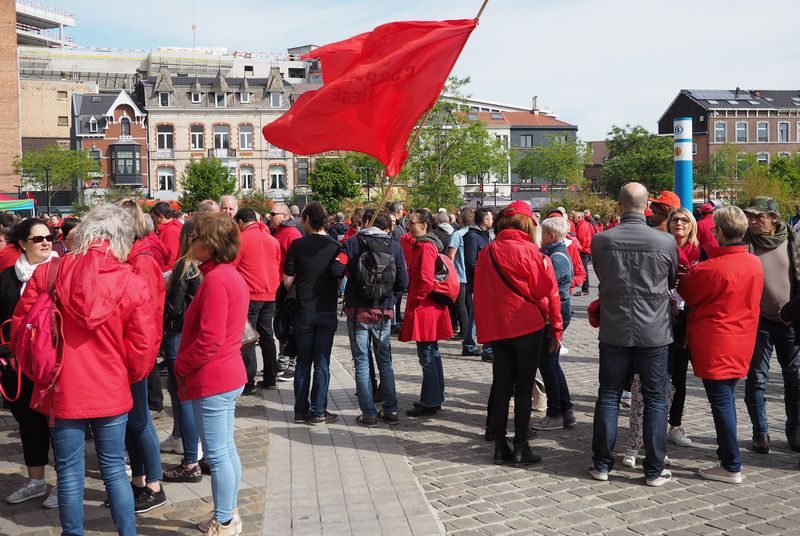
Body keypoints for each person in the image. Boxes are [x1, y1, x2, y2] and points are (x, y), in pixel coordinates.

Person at [12, 204, 159, 535]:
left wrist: (39, 373)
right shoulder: (130, 281)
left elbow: (22, 332)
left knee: (68, 472)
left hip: (62, 383)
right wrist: (130, 376)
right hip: (110, 384)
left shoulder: (49, 272)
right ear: (120, 238)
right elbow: (143, 345)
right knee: (112, 469)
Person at [589, 182, 677, 487]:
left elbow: (601, 275)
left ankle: (601, 464)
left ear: (620, 205)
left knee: (609, 395)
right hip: (654, 330)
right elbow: (671, 279)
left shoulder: (601, 240)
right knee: (655, 399)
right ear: (646, 207)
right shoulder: (665, 242)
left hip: (615, 327)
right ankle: (653, 469)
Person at [174, 213, 249, 536]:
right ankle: (228, 513)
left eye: (195, 238)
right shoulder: (224, 275)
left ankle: (226, 519)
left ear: (211, 243)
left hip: (214, 376)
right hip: (224, 373)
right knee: (225, 450)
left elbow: (209, 338)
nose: (190, 243)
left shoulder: (218, 279)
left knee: (218, 454)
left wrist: (180, 364)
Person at [677, 206, 763, 484]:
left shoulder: (711, 268)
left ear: (722, 233)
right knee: (726, 399)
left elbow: (686, 291)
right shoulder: (753, 262)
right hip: (742, 339)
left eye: (715, 230)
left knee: (722, 403)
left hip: (716, 342)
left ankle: (730, 463)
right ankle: (728, 458)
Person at [474, 201, 562, 465]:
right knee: (523, 389)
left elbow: (481, 294)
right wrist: (556, 329)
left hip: (500, 328)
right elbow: (547, 291)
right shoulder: (533, 253)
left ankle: (500, 446)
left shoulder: (487, 252)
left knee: (502, 387)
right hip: (528, 326)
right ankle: (521, 446)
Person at [1, 219, 58, 508]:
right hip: (18, 366)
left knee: (58, 425)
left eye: (50, 236)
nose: (47, 242)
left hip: (53, 365)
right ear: (22, 243)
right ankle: (35, 480)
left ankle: (65, 484)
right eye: (38, 239)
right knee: (28, 423)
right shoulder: (8, 277)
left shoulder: (61, 272)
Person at [119, 201, 168, 513]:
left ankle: (155, 483)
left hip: (139, 351)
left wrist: (141, 356)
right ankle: (139, 480)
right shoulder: (133, 257)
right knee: (130, 423)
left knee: (139, 421)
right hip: (130, 351)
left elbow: (146, 314)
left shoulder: (143, 260)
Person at [742, 197, 800, 454]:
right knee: (756, 378)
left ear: (774, 218)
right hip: (759, 320)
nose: (753, 221)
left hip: (791, 321)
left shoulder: (793, 241)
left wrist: (794, 309)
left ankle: (795, 430)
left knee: (795, 379)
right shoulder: (744, 243)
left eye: (759, 216)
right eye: (750, 216)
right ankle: (760, 431)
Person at [342, 210, 408, 426]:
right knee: (385, 361)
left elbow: (337, 269)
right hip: (383, 311)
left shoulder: (353, 243)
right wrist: (390, 298)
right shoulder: (394, 246)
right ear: (385, 226)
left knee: (361, 361)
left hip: (358, 310)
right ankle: (391, 410)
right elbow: (403, 281)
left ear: (365, 222)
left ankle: (368, 413)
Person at [283, 202, 344, 424]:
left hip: (304, 309)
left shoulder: (297, 245)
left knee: (303, 362)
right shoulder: (335, 246)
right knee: (321, 362)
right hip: (327, 309)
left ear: (307, 219)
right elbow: (339, 278)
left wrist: (301, 288)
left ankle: (300, 410)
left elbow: (288, 279)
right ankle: (318, 410)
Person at [160, 219, 204, 483]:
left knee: (183, 400)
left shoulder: (184, 266)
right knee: (195, 401)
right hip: (198, 336)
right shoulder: (206, 266)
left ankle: (190, 461)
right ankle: (200, 456)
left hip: (180, 335)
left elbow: (175, 308)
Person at [399, 210, 453, 416]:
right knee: (432, 353)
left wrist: (416, 301)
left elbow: (425, 279)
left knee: (428, 355)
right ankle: (435, 396)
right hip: (428, 307)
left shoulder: (426, 246)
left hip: (425, 308)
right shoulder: (426, 244)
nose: (408, 226)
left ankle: (431, 400)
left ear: (423, 226)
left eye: (411, 222)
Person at [534, 215, 575, 431]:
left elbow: (550, 292)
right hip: (557, 314)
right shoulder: (558, 254)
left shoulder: (556, 258)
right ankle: (565, 410)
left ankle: (556, 412)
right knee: (552, 364)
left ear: (550, 236)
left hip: (554, 316)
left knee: (548, 365)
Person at [234, 207, 281, 393]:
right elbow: (277, 263)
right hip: (270, 293)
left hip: (250, 294)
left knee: (248, 338)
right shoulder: (272, 239)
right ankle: (270, 377)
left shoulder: (241, 240)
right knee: (267, 336)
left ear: (240, 222)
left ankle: (248, 381)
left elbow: (232, 265)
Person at [666, 207, 701, 448]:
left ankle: (675, 424)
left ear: (692, 225)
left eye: (684, 220)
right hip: (660, 316)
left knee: (680, 375)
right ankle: (653, 421)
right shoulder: (662, 246)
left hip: (688, 318)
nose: (679, 223)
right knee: (659, 375)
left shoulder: (699, 251)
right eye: (675, 219)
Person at [270, 202, 303, 382]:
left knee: (289, 326)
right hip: (279, 285)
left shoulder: (291, 234)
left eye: (273, 213)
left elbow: (295, 262)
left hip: (288, 287)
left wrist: (291, 287)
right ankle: (283, 361)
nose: (270, 216)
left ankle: (291, 363)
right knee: (281, 325)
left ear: (284, 215)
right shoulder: (279, 232)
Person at [463, 208, 493, 359]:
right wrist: (487, 272)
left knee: (476, 314)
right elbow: (471, 261)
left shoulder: (485, 235)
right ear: (485, 220)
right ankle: (480, 347)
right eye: (491, 218)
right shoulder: (472, 237)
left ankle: (469, 344)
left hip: (484, 281)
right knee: (481, 314)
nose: (492, 221)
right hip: (478, 281)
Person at [446, 208, 474, 340]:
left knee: (460, 303)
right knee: (469, 302)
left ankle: (464, 330)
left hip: (459, 274)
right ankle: (471, 330)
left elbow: (451, 255)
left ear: (460, 220)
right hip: (470, 274)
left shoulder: (457, 235)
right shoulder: (474, 234)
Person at [151, 201, 183, 269]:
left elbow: (171, 261)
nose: (153, 221)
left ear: (161, 217)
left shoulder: (171, 232)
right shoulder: (169, 229)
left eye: (153, 217)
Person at [571, 211, 595, 296]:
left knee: (584, 270)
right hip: (585, 250)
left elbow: (581, 241)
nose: (573, 219)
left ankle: (585, 289)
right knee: (584, 270)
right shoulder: (583, 224)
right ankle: (585, 289)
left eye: (574, 217)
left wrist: (578, 250)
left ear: (579, 218)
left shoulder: (582, 226)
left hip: (584, 251)